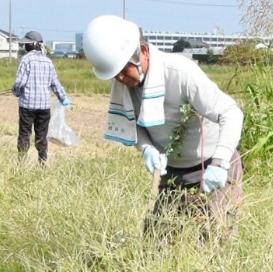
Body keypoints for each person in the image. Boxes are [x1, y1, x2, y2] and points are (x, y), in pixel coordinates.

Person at [83, 14, 245, 232]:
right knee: (158, 239)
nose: (120, 79)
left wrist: (220, 163)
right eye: (115, 75)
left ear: (141, 53)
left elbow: (231, 113)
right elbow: (135, 125)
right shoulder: (124, 86)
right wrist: (147, 148)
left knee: (215, 236)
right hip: (173, 171)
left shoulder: (180, 73)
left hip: (212, 166)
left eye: (123, 70)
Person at [12, 31, 70, 164]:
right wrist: (63, 98)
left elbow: (20, 82)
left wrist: (15, 91)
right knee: (41, 135)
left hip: (27, 105)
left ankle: (21, 162)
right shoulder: (48, 61)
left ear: (33, 44)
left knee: (25, 134)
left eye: (26, 44)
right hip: (44, 107)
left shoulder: (26, 60)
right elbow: (55, 83)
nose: (24, 47)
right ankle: (42, 161)